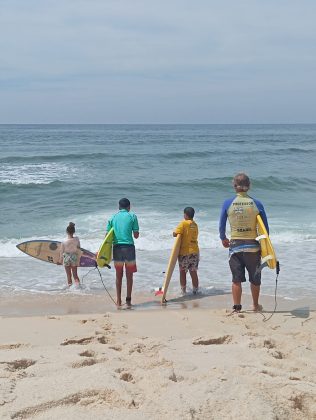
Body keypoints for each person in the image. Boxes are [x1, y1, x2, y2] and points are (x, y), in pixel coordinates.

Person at [219, 173, 269, 312]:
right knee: (255, 277)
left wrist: (223, 238)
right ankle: (255, 305)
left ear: (234, 186)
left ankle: (237, 307)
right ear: (249, 186)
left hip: (235, 247)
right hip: (253, 247)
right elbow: (265, 228)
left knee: (236, 279)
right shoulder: (257, 203)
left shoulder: (227, 203)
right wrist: (265, 246)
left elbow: (221, 225)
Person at [106, 198, 139, 307]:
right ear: (129, 207)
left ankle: (119, 301)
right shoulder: (132, 216)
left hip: (117, 248)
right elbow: (136, 235)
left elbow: (107, 237)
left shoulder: (112, 218)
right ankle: (128, 301)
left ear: (119, 207)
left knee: (118, 275)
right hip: (129, 248)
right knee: (129, 276)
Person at [173, 207, 199, 295]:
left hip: (184, 252)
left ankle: (183, 291)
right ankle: (195, 290)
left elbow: (175, 234)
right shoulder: (195, 225)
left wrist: (174, 233)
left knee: (182, 271)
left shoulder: (183, 223)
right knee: (193, 271)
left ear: (185, 215)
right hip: (195, 251)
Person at [59, 222, 81, 287]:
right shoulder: (77, 239)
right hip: (74, 257)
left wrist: (60, 261)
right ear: (74, 231)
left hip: (66, 258)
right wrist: (79, 259)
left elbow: (61, 252)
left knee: (68, 275)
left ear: (66, 231)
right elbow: (79, 249)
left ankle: (70, 289)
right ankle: (79, 288)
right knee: (75, 275)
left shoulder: (63, 242)